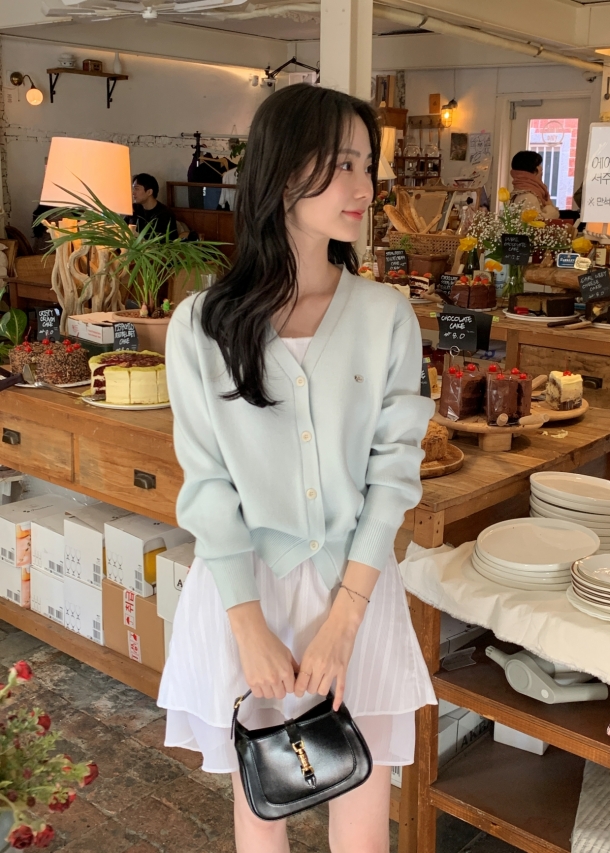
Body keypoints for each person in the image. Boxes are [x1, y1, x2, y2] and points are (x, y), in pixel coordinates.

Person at [158, 83, 436, 853]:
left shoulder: (386, 316)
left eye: (367, 164)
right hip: (245, 592)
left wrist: (344, 622)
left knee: (363, 822)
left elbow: (393, 476)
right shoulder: (202, 326)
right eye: (342, 163)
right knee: (263, 806)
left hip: (357, 589)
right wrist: (247, 629)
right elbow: (207, 486)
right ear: (283, 175)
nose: (364, 185)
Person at [510, 150, 560, 219]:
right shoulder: (527, 196)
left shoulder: (526, 192)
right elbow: (537, 222)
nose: (541, 168)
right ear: (534, 170)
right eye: (539, 165)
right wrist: (550, 208)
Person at [127, 173, 179, 239]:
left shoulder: (165, 214)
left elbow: (162, 240)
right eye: (133, 189)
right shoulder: (135, 208)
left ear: (149, 192)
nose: (133, 193)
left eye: (136, 189)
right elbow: (123, 229)